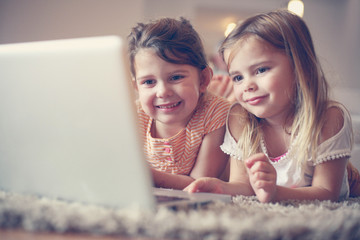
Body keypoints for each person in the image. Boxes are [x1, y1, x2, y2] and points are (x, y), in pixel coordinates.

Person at [185, 9, 360, 202]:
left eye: (261, 70)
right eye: (237, 77)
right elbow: (243, 185)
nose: (247, 85)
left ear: (299, 66)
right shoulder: (239, 118)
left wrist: (276, 193)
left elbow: (327, 192)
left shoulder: (328, 117)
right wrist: (219, 186)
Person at [127, 17, 231, 190]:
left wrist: (145, 175)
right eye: (148, 82)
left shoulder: (216, 113)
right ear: (136, 86)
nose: (162, 92)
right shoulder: (133, 115)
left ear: (203, 79)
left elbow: (199, 183)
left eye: (175, 77)